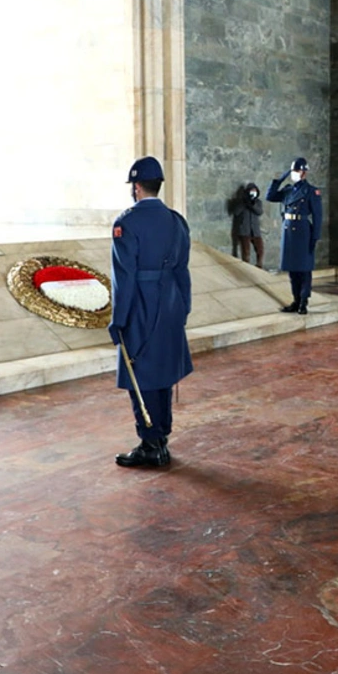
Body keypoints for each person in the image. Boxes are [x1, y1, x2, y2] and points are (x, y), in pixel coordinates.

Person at [108, 156, 193, 468]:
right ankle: (161, 438)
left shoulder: (127, 223)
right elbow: (183, 271)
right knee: (163, 373)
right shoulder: (176, 221)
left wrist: (119, 320)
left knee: (140, 373)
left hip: (141, 306)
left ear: (136, 187)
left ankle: (150, 443)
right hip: (171, 304)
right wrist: (183, 308)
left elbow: (124, 279)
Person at [267, 156, 323, 314]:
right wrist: (279, 180)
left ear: (304, 173)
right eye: (293, 171)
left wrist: (315, 237)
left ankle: (303, 302)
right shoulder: (288, 190)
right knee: (292, 270)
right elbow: (270, 196)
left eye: (297, 170)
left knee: (304, 269)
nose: (294, 173)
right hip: (288, 232)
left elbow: (318, 216)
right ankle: (296, 300)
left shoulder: (311, 191)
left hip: (303, 232)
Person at [232, 182, 264, 267]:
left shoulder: (258, 202)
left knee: (260, 249)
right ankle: (246, 267)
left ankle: (259, 265)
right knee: (246, 251)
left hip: (255, 231)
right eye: (251, 191)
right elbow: (236, 212)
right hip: (245, 230)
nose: (253, 192)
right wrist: (245, 202)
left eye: (254, 191)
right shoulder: (241, 202)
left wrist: (252, 204)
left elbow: (259, 211)